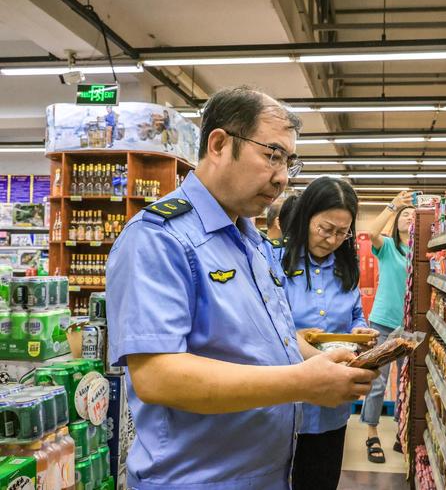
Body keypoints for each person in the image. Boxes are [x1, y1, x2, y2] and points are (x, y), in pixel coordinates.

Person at [106, 86, 378, 490]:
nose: (283, 176)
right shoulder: (159, 238)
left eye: (289, 161)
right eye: (272, 155)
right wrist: (303, 382)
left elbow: (277, 338)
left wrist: (328, 361)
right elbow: (157, 376)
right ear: (219, 144)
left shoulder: (252, 242)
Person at [281, 176, 379, 490]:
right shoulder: (274, 263)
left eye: (342, 232)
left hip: (330, 409)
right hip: (283, 403)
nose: (333, 239)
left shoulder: (346, 268)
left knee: (320, 481)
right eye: (325, 228)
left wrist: (359, 332)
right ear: (305, 217)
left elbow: (354, 316)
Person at [360, 190, 416, 463]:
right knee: (378, 382)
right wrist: (394, 206)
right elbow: (370, 233)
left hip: (409, 327)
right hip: (382, 322)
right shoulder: (388, 248)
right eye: (405, 216)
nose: (408, 218)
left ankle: (400, 433)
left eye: (412, 215)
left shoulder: (420, 251)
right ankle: (371, 433)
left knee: (406, 382)